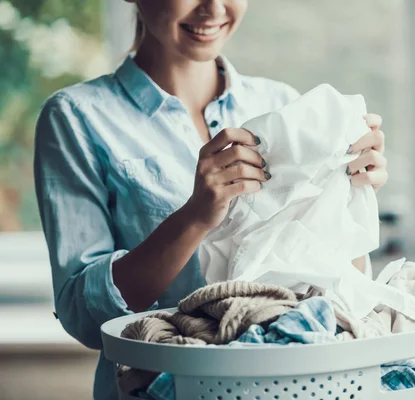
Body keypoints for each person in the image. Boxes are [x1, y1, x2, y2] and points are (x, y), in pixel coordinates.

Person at [33, 1, 388, 399]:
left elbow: (338, 292)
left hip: (289, 388)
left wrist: (350, 196)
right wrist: (195, 217)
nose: (213, 8)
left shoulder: (286, 105)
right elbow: (83, 316)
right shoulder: (77, 118)